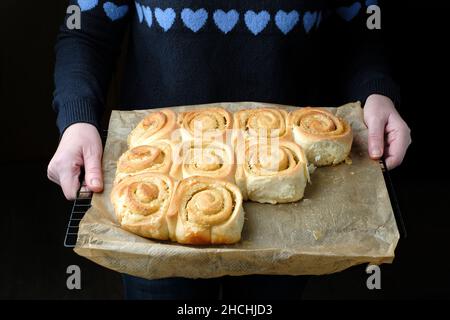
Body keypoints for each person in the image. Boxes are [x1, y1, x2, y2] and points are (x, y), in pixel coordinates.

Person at [47, 0, 411, 299]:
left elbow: (364, 25)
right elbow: (86, 27)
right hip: (154, 183)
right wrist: (79, 117)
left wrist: (375, 89)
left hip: (289, 206)